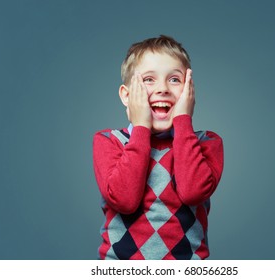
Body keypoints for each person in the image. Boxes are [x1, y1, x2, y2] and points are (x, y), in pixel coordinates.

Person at [93, 35, 224, 260]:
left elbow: (192, 192)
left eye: (174, 79)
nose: (162, 88)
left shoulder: (206, 143)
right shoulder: (109, 140)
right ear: (126, 95)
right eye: (149, 79)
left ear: (189, 91)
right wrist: (141, 126)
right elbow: (125, 200)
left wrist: (183, 120)